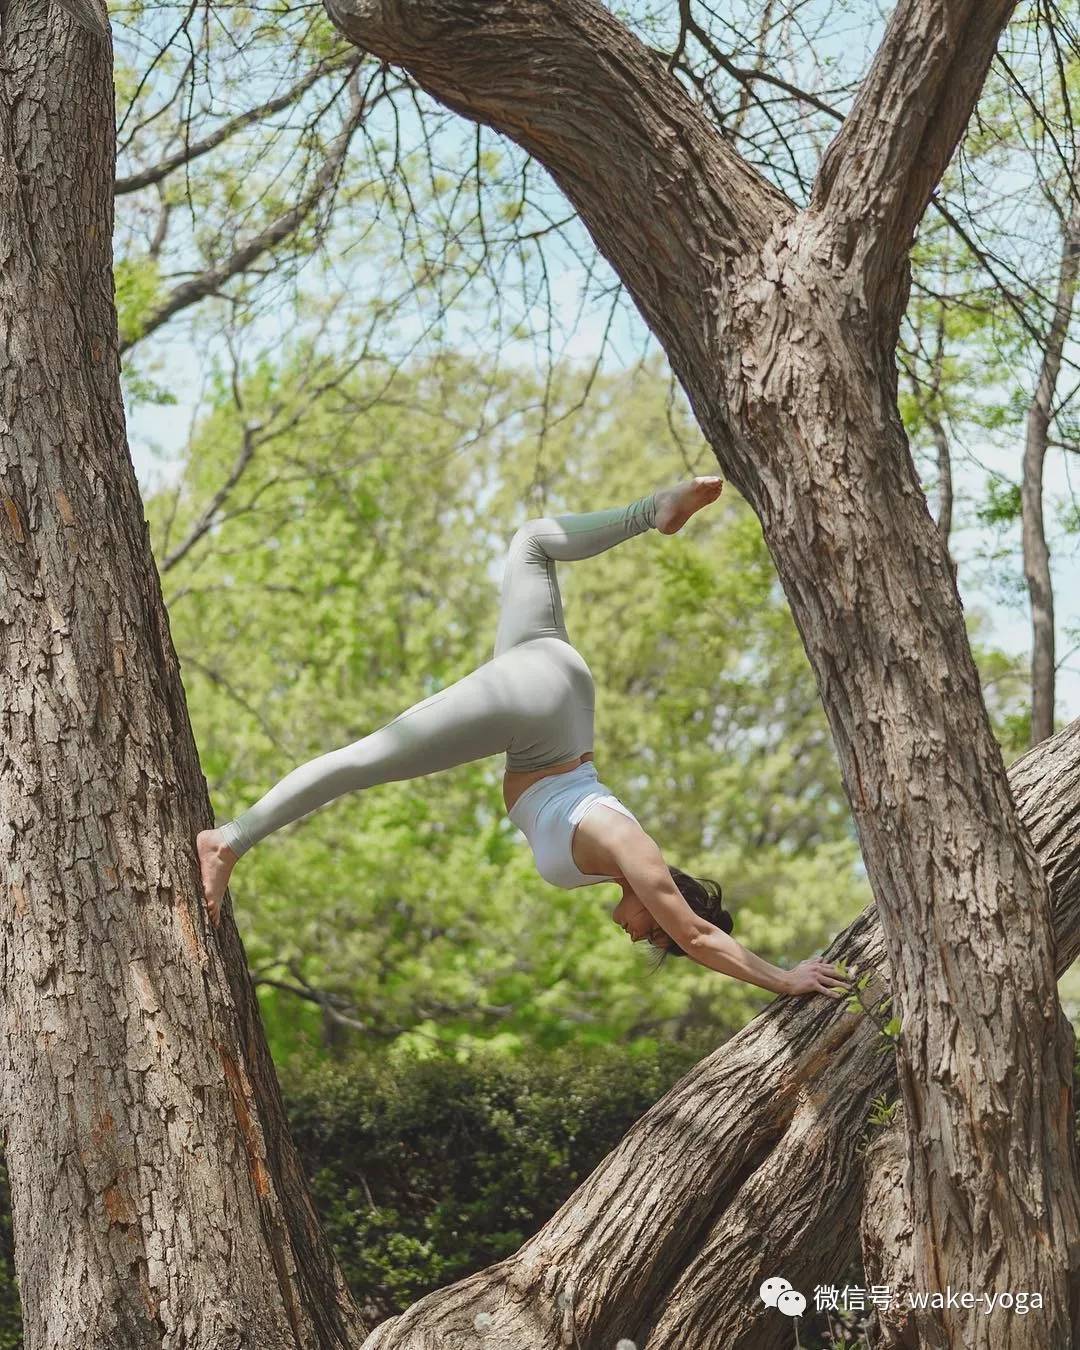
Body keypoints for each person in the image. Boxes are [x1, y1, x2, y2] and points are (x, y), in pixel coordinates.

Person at [197, 476, 850, 1000]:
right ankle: (228, 840)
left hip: (554, 697)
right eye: (654, 936)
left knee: (532, 541)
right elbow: (702, 938)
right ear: (662, 906)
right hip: (538, 717)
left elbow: (692, 929)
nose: (636, 938)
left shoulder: (613, 857)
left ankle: (654, 509)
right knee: (361, 762)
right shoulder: (634, 852)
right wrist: (783, 978)